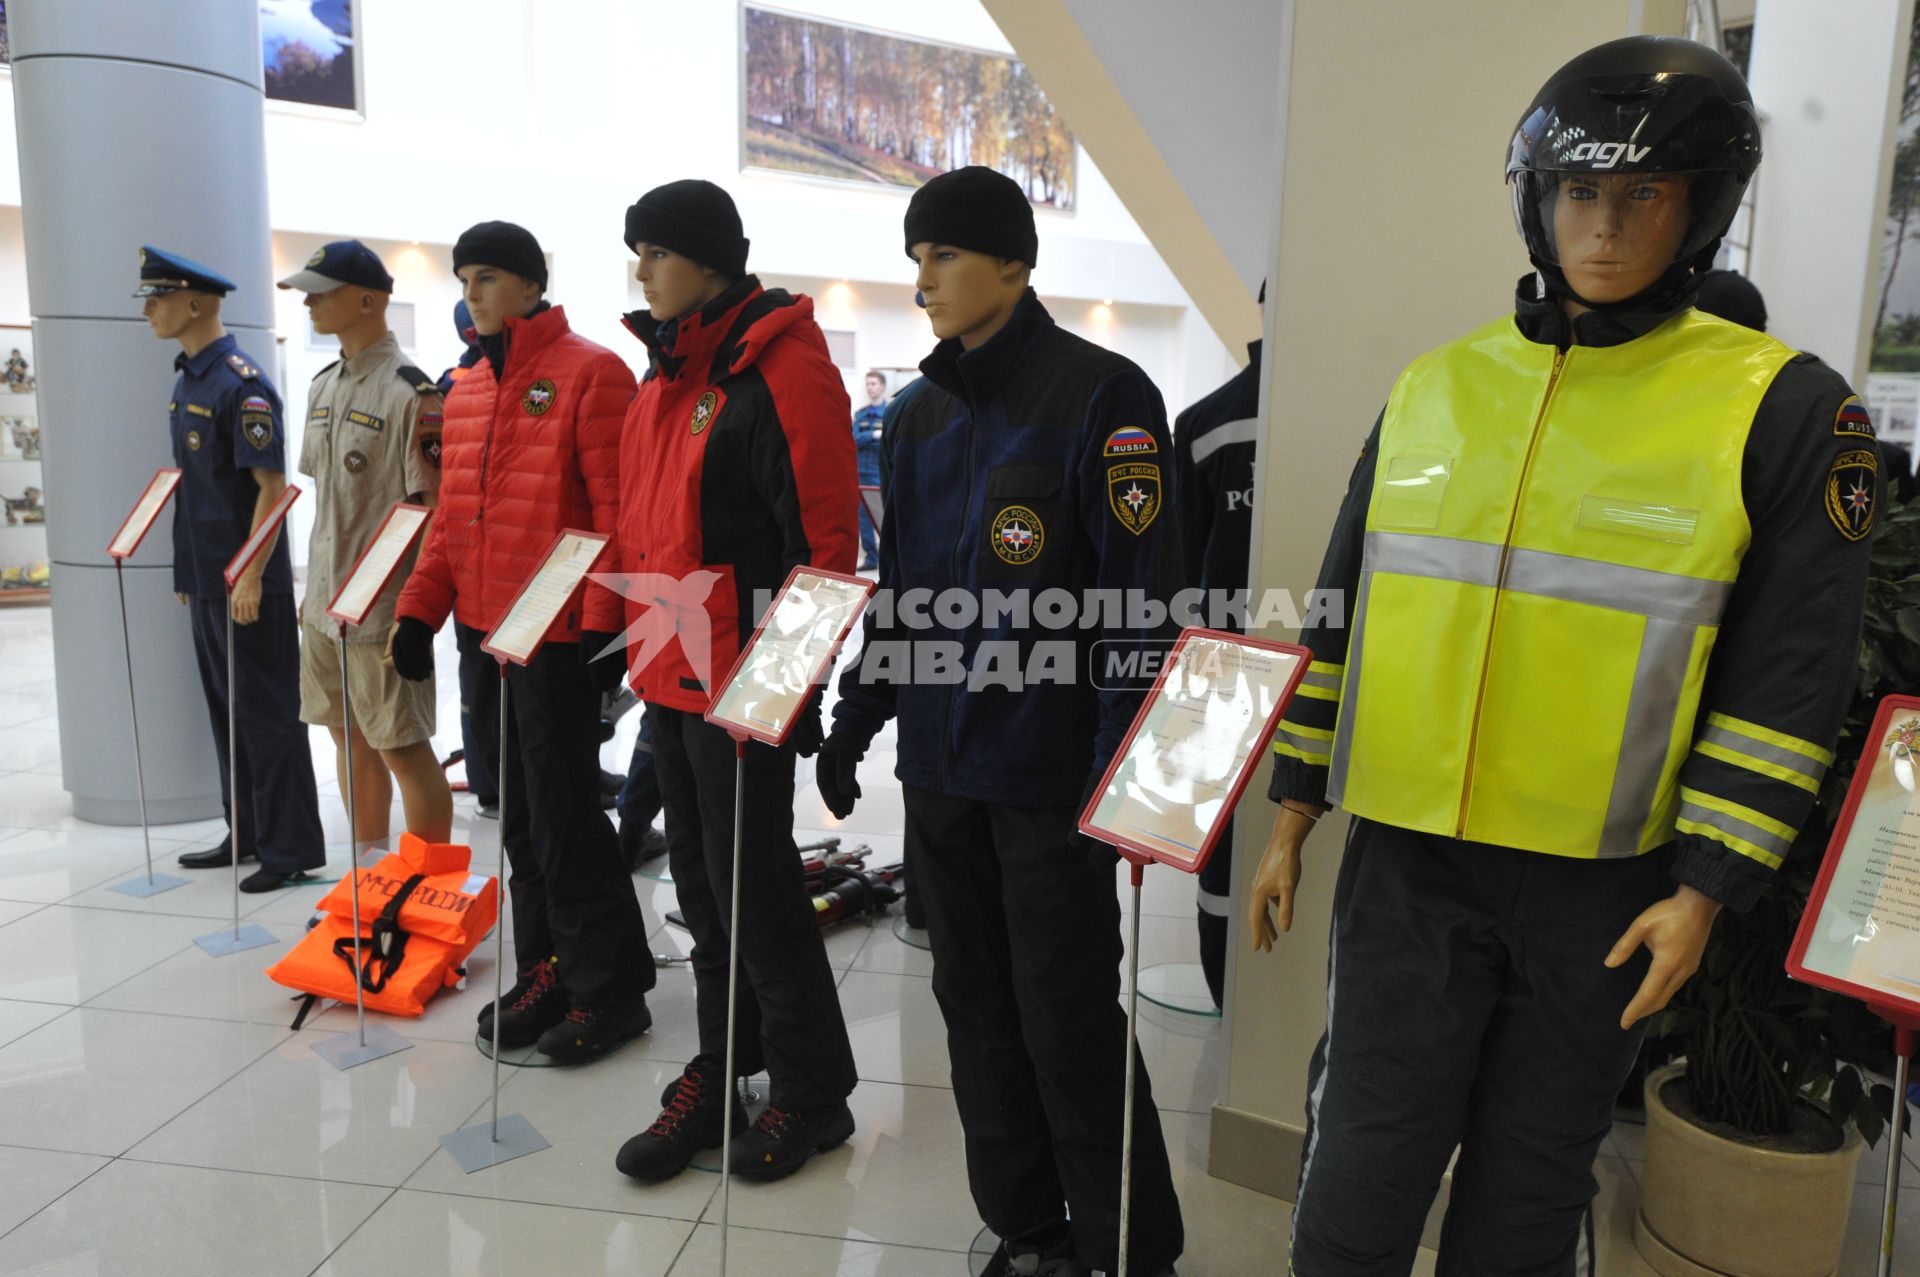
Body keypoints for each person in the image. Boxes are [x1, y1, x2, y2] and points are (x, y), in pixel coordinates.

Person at [1248, 37, 1878, 1272]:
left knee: (1531, 1185)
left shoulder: (1785, 407)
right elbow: (1343, 615)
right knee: (1361, 1165)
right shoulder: (1438, 386)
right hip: (1411, 868)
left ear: (1702, 207)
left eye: (1643, 195)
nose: (1604, 226)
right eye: (1580, 192)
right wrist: (1291, 807)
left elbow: (1789, 676)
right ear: (1538, 200)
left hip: (1607, 882)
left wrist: (1706, 887)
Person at [818, 166, 1186, 1277]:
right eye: (915, 256)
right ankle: (1029, 1228)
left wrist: (1126, 775)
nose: (921, 278)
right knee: (974, 1012)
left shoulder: (1104, 395)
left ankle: (1126, 1248)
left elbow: (1139, 600)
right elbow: (908, 589)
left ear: (1014, 265)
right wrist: (857, 713)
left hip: (1049, 776)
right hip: (941, 770)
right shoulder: (920, 415)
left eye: (943, 255)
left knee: (1067, 1019)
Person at [610, 179, 860, 1184]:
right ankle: (724, 1068)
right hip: (671, 679)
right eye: (636, 252)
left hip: (746, 692)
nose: (641, 271)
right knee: (704, 895)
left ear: (708, 259)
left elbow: (827, 551)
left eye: (655, 252)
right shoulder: (665, 378)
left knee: (758, 895)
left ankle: (812, 1091)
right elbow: (647, 535)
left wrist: (777, 696)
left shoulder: (781, 367)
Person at [389, 220, 653, 1063]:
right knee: (517, 817)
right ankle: (546, 966)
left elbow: (616, 518)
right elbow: (450, 523)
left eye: (491, 276)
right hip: (486, 635)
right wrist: (418, 613)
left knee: (567, 815)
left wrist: (609, 638)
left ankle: (607, 989)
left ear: (533, 284)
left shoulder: (591, 372)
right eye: (465, 278)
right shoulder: (465, 388)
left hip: (563, 637)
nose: (474, 292)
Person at [138, 246, 326, 892]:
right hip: (208, 577)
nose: (149, 310)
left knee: (268, 713)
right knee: (226, 710)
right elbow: (193, 490)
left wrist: (249, 574)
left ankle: (290, 846)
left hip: (251, 582)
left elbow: (271, 489)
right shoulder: (188, 379)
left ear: (195, 302)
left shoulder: (242, 383)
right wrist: (186, 571)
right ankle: (245, 828)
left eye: (157, 297)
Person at [280, 240, 453, 850]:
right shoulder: (322, 387)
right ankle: (371, 885)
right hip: (327, 602)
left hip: (382, 609)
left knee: (403, 746)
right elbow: (328, 500)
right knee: (346, 739)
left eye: (320, 293)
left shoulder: (412, 393)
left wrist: (416, 614)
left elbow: (433, 512)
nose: (308, 303)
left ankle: (426, 895)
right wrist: (314, 597)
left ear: (366, 300)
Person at [1170, 314, 1262, 1011]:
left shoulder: (1208, 420)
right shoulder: (1210, 423)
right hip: (1324, 671)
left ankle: (1232, 1007)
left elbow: (1180, 571)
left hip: (1222, 671)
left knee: (1225, 853)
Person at [852, 369, 886, 569]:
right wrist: (874, 435)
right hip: (861, 473)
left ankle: (890, 556)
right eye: (868, 384)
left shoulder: (890, 412)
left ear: (882, 386)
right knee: (863, 517)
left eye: (873, 383)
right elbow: (854, 439)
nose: (870, 387)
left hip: (879, 472)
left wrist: (870, 438)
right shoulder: (861, 414)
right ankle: (872, 558)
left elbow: (888, 442)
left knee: (885, 515)